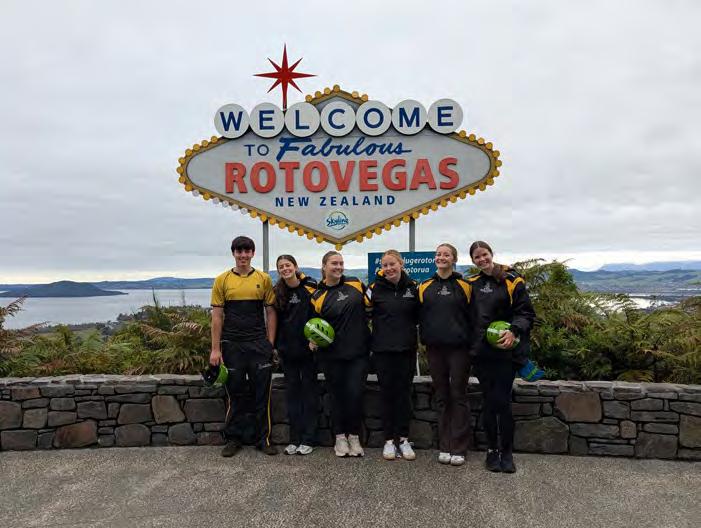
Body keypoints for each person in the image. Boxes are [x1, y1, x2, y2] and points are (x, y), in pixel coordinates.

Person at [467, 241, 536, 473]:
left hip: (507, 353)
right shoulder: (472, 284)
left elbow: (526, 313)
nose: (482, 259)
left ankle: (507, 452)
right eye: (477, 257)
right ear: (473, 261)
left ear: (491, 254)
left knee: (502, 402)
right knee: (489, 402)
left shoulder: (512, 280)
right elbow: (466, 316)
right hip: (482, 354)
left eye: (484, 254)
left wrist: (514, 330)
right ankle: (491, 451)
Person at [209, 236, 278, 457]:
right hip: (232, 345)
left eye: (247, 251)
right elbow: (217, 317)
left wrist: (270, 343)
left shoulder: (263, 278)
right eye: (239, 251)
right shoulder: (222, 280)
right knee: (235, 394)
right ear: (233, 253)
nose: (243, 255)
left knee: (262, 394)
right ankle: (233, 439)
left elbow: (271, 312)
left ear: (253, 253)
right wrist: (215, 349)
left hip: (258, 344)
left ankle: (263, 439)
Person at [310, 251, 370, 457]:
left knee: (355, 395)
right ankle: (339, 438)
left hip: (358, 353)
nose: (338, 267)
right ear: (324, 267)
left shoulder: (356, 284)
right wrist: (312, 339)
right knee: (336, 397)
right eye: (334, 263)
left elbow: (373, 303)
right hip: (331, 355)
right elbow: (313, 324)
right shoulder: (317, 296)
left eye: (341, 263)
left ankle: (354, 437)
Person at [418, 243, 473, 466]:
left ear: (454, 259)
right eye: (438, 254)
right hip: (434, 349)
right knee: (441, 396)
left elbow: (474, 315)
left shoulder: (465, 286)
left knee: (458, 395)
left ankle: (459, 447)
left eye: (446, 255)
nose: (441, 257)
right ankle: (445, 445)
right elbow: (418, 315)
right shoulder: (424, 286)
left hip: (460, 349)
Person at [367, 250, 419, 461]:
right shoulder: (373, 289)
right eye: (385, 265)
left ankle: (404, 440)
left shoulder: (414, 287)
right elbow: (361, 314)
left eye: (392, 264)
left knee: (404, 395)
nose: (388, 268)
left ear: (401, 264)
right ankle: (389, 440)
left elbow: (422, 315)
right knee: (387, 395)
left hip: (407, 350)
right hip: (382, 351)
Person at [273, 254, 319, 456]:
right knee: (292, 395)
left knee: (309, 394)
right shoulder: (278, 292)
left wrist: (315, 339)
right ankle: (294, 439)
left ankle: (309, 439)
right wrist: (275, 346)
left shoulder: (309, 285)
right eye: (281, 267)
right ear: (278, 271)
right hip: (287, 350)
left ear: (295, 266)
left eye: (288, 265)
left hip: (308, 350)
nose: (285, 269)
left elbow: (318, 312)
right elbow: (275, 320)